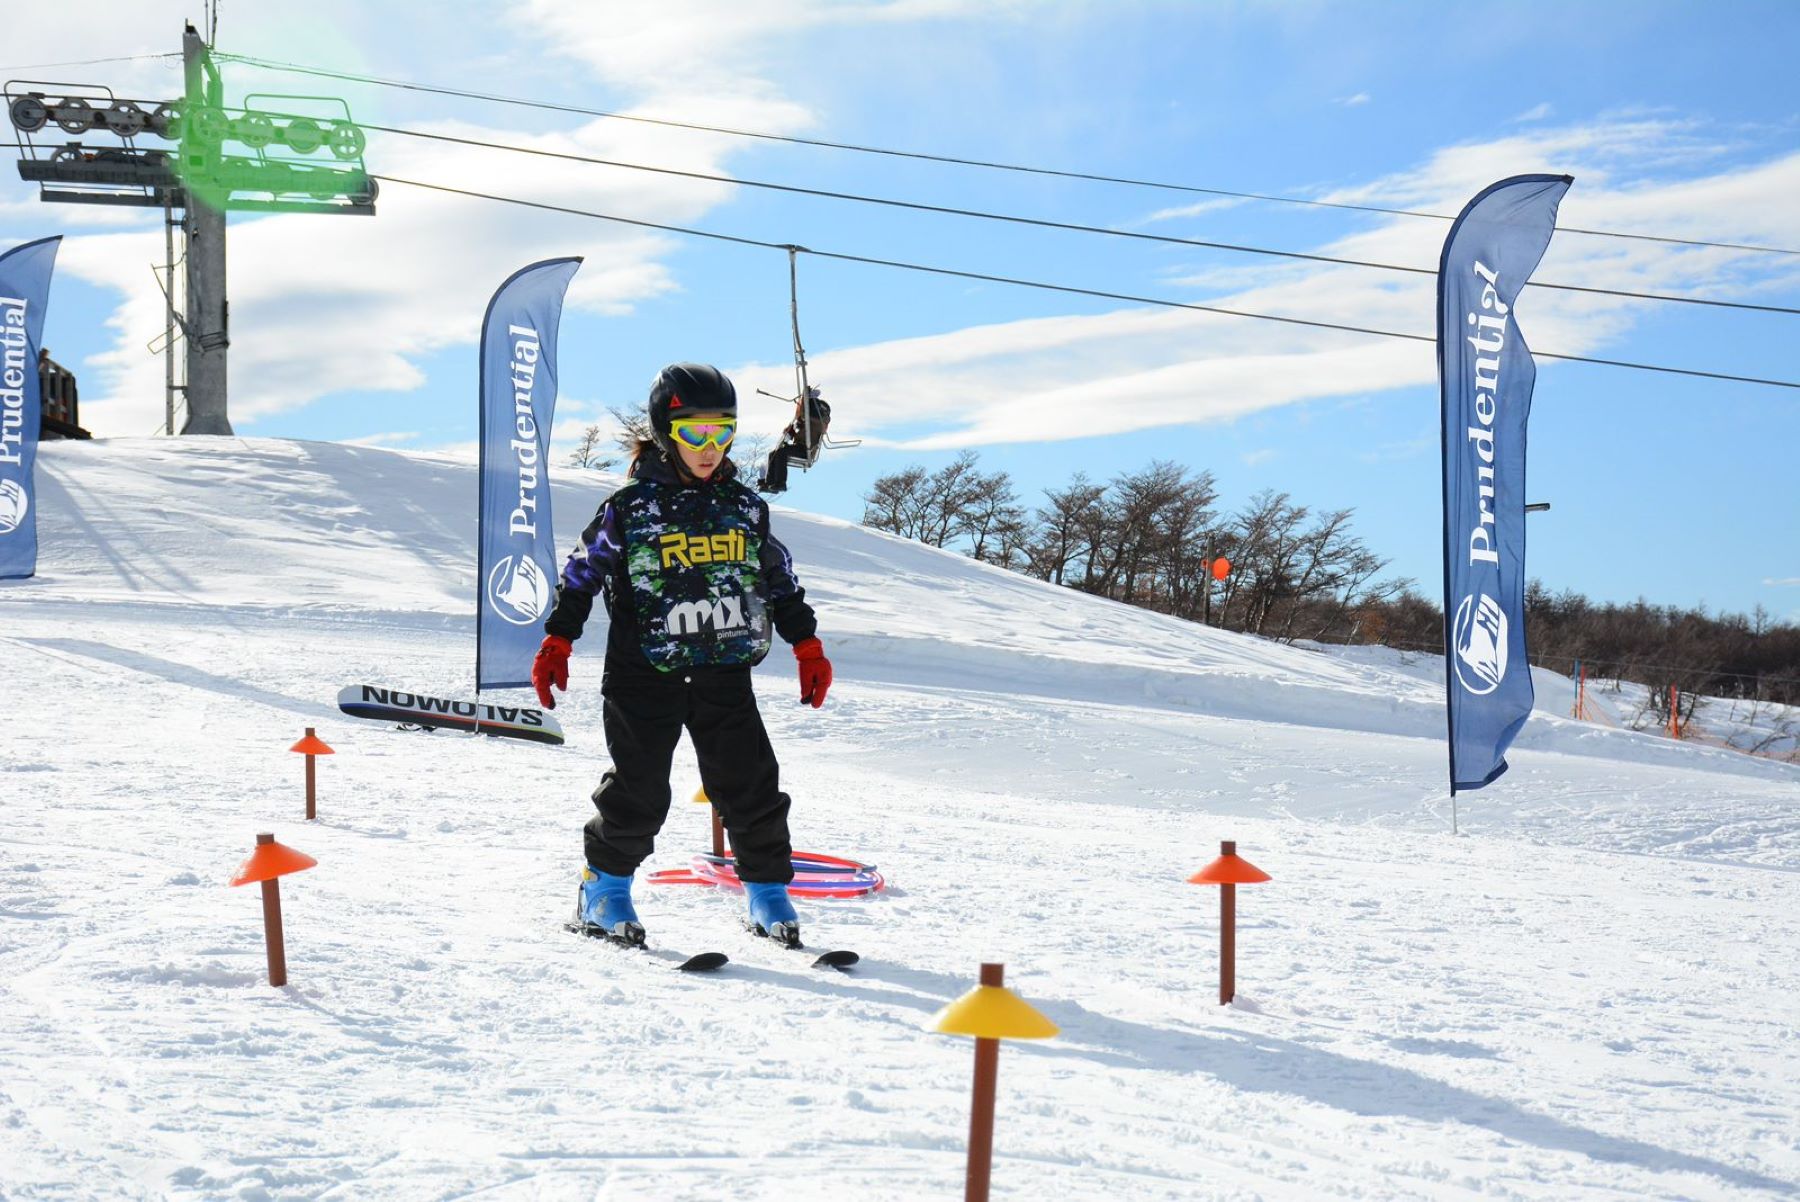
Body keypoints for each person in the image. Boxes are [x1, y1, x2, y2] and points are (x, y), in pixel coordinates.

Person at [532, 362, 833, 949]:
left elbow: (778, 578)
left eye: (722, 433)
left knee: (752, 786)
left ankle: (768, 894)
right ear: (667, 432)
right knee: (640, 791)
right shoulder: (631, 506)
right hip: (644, 673)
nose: (709, 448)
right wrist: (559, 636)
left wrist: (807, 641)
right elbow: (581, 573)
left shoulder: (744, 508)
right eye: (695, 434)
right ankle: (604, 891)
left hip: (724, 668)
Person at [758, 386, 832, 494]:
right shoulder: (805, 423)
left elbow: (805, 416)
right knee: (772, 454)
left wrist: (806, 400)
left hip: (807, 450)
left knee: (781, 453)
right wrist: (790, 431)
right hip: (799, 447)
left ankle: (781, 483)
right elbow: (797, 428)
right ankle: (770, 483)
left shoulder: (818, 423)